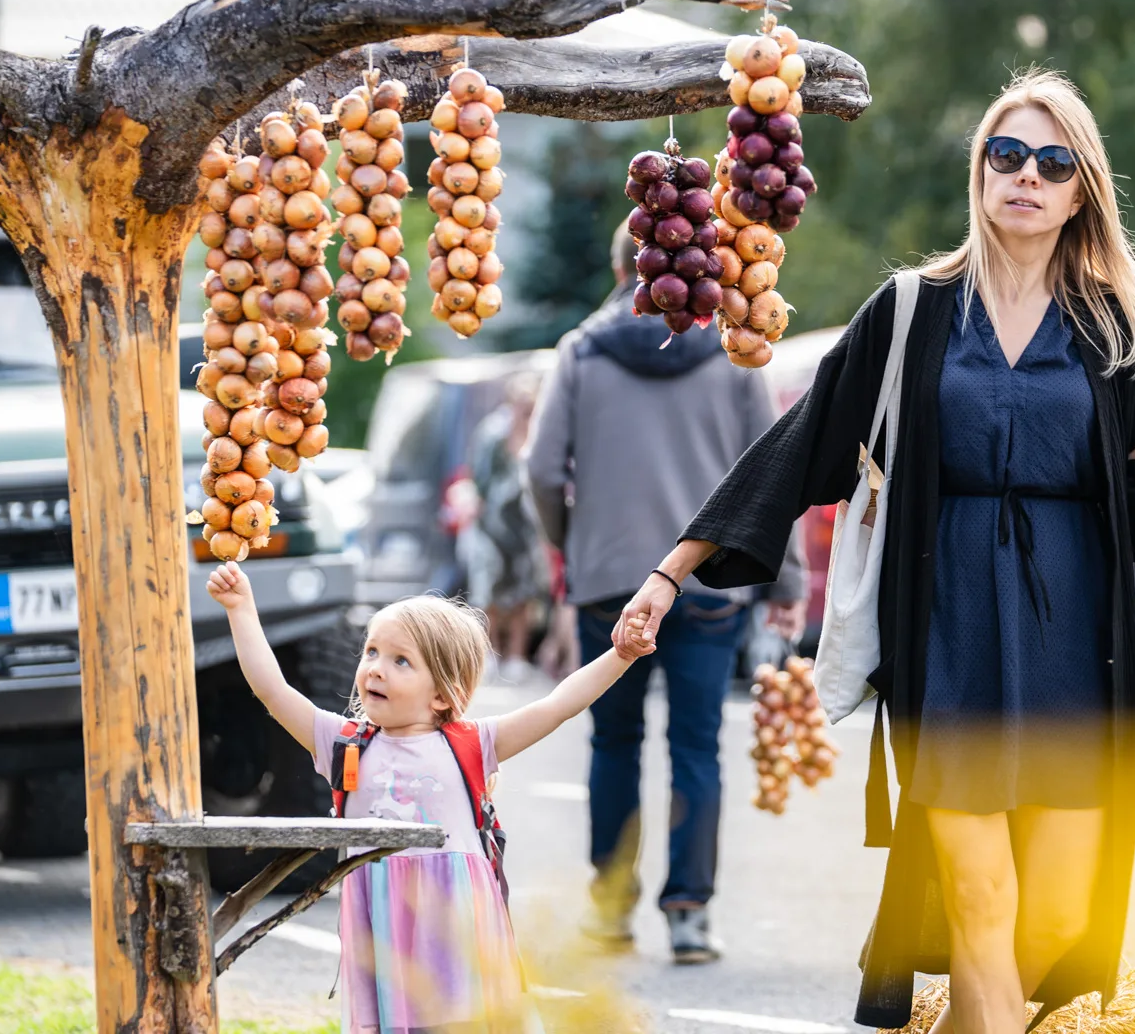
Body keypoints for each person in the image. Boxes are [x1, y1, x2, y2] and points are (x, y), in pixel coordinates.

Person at [617, 69, 1135, 1032]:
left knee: (1052, 918)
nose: (1027, 176)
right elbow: (797, 450)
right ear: (979, 173)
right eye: (1007, 155)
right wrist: (671, 571)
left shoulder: (1114, 327)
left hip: (1078, 648)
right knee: (978, 904)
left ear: (1080, 189)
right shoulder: (910, 314)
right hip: (948, 632)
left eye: (1053, 163)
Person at [524, 221, 809, 964]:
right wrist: (788, 577)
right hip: (708, 585)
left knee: (614, 741)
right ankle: (688, 913)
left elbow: (543, 470)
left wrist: (573, 544)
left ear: (622, 267)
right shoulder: (735, 350)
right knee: (696, 744)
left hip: (606, 578)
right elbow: (775, 470)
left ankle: (612, 909)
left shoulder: (580, 352)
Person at [206, 560, 649, 1032]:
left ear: (443, 694)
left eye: (401, 661)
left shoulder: (473, 744)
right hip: (382, 911)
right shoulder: (343, 743)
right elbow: (272, 690)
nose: (375, 668)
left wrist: (620, 655)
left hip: (456, 917)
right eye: (371, 652)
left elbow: (558, 704)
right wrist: (241, 609)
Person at [461, 371, 552, 682]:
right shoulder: (493, 432)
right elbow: (479, 478)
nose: (528, 409)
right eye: (524, 403)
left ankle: (517, 657)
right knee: (488, 591)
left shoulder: (542, 430)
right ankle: (488, 654)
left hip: (527, 524)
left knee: (525, 592)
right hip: (492, 522)